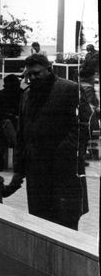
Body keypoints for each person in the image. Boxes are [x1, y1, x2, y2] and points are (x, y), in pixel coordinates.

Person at [12, 54, 88, 230]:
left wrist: (62, 153)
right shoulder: (26, 95)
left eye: (36, 73)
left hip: (63, 173)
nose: (32, 78)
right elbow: (22, 134)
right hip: (36, 174)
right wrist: (18, 169)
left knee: (65, 225)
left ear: (49, 69)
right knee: (40, 224)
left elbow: (83, 127)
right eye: (28, 74)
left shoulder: (70, 89)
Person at [0, 74, 24, 162]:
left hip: (15, 125)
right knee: (6, 124)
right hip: (2, 125)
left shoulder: (21, 95)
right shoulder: (0, 97)